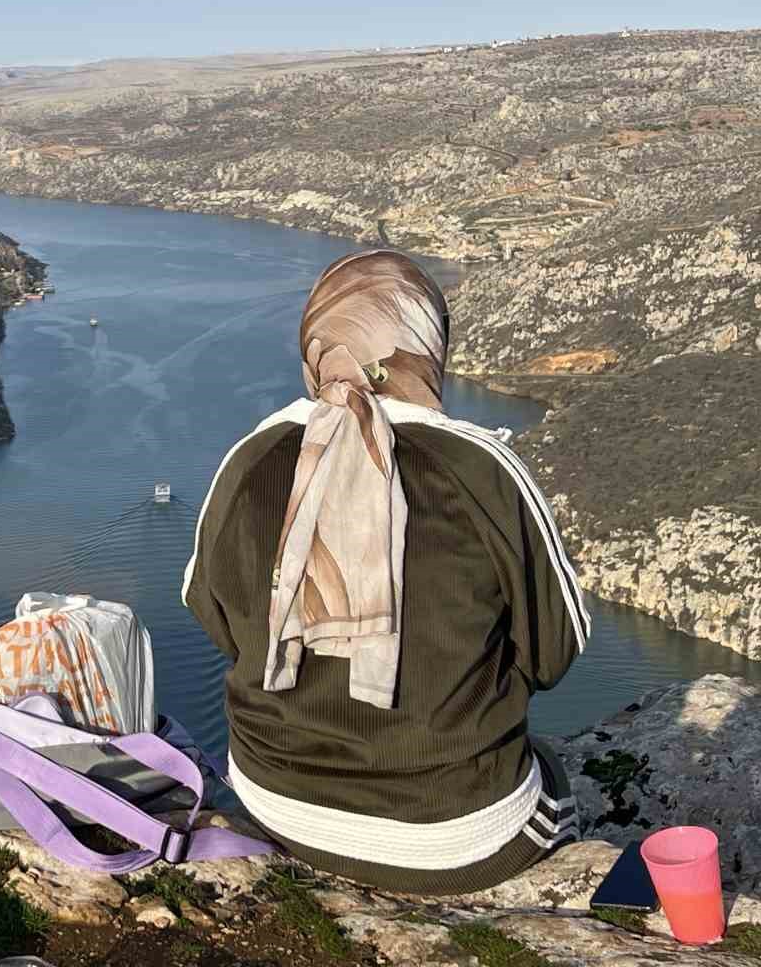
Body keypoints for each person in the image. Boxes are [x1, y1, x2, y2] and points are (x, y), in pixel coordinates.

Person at [182, 250, 587, 893]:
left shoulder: (250, 457)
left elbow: (216, 617)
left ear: (315, 348)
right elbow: (552, 653)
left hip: (273, 803)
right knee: (564, 784)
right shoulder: (482, 470)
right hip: (453, 831)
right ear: (428, 349)